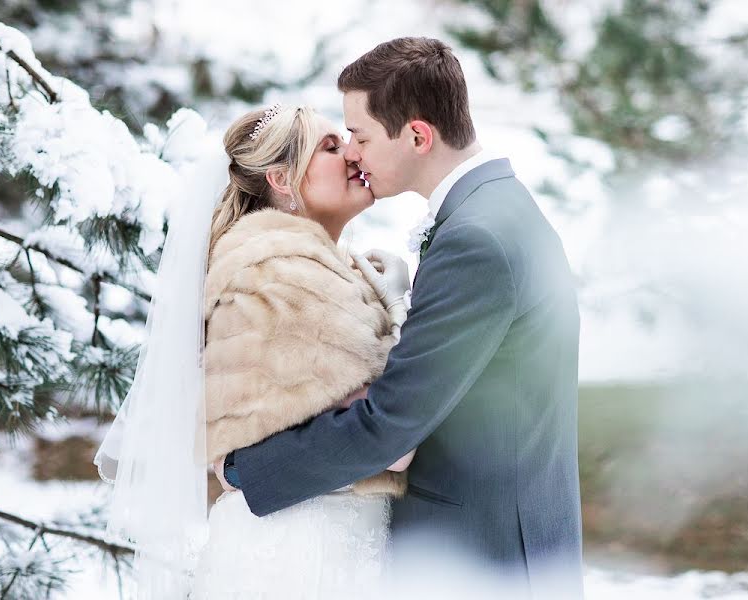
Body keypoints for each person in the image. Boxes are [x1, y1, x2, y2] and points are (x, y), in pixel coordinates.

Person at [217, 37, 584, 599]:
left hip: (486, 554)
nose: (354, 154)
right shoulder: (493, 210)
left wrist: (249, 471)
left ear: (417, 135)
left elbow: (390, 423)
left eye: (359, 136)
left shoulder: (476, 239)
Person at [95, 104, 414, 599]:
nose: (353, 154)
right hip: (303, 552)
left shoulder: (317, 269)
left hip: (316, 535)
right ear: (282, 179)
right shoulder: (281, 272)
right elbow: (392, 435)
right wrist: (400, 314)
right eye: (330, 147)